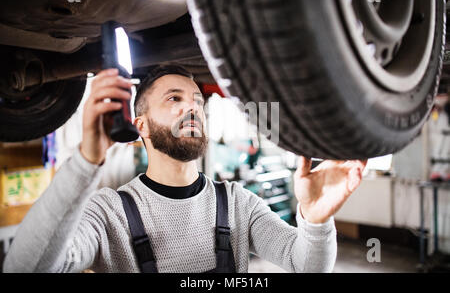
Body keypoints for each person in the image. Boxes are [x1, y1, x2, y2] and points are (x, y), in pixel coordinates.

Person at [3, 64, 367, 273]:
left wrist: (316, 221)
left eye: (196, 101)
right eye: (174, 99)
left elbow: (306, 265)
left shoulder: (238, 203)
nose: (191, 108)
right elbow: (25, 268)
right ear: (139, 124)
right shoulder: (108, 212)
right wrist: (85, 161)